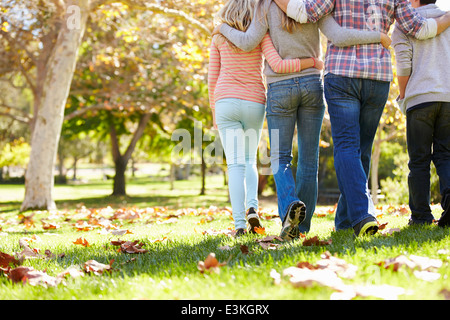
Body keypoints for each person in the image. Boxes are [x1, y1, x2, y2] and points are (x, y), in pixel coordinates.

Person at [216, 0, 390, 240]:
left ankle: (290, 209)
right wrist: (377, 36)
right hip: (311, 84)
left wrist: (221, 27)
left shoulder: (265, 6)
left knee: (280, 157)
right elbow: (338, 34)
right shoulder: (315, 6)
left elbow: (248, 41)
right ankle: (303, 227)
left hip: (279, 87)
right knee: (309, 160)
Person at [274, 0, 450, 236]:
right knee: (362, 151)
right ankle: (346, 221)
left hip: (342, 74)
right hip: (377, 77)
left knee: (347, 147)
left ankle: (361, 215)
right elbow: (420, 28)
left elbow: (305, 12)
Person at [208, 0, 324, 237]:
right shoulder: (261, 36)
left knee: (235, 165)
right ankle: (255, 208)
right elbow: (279, 64)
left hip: (225, 102)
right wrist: (312, 63)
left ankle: (240, 224)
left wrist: (214, 112)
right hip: (254, 102)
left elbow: (212, 78)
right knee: (250, 161)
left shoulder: (218, 37)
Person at [392, 0, 450, 227]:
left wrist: (403, 94)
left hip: (420, 99)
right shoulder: (447, 18)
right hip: (447, 98)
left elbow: (404, 66)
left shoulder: (404, 26)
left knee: (419, 160)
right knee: (445, 155)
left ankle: (421, 216)